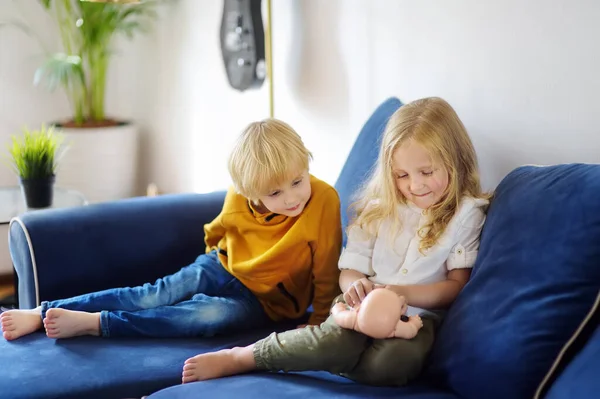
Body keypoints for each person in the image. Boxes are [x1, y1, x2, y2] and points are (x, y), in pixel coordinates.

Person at [181, 97, 490, 387]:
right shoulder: (378, 208)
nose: (415, 185)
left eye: (426, 172)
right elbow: (349, 269)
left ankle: (332, 356)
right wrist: (355, 284)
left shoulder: (466, 214)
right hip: (360, 305)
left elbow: (455, 286)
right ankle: (244, 357)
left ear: (455, 161)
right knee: (332, 340)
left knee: (394, 365)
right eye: (401, 175)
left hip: (418, 317)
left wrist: (402, 293)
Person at [0, 119, 342, 341]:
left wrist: (320, 321)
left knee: (206, 316)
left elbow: (327, 269)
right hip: (221, 263)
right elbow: (217, 230)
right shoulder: (240, 193)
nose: (293, 197)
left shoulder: (324, 200)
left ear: (306, 163)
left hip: (265, 302)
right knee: (153, 294)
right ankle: (40, 311)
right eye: (275, 194)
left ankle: (97, 323)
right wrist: (211, 262)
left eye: (298, 181)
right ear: (252, 193)